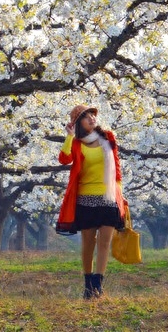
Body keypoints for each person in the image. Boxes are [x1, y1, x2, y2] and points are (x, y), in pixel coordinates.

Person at [55, 104, 125, 299]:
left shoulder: (108, 137)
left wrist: (120, 192)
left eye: (93, 115)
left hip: (109, 197)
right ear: (78, 123)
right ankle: (87, 283)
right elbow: (64, 159)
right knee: (88, 243)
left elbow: (116, 166)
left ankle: (98, 284)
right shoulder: (77, 143)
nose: (92, 118)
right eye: (86, 117)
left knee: (104, 243)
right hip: (86, 198)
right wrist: (68, 137)